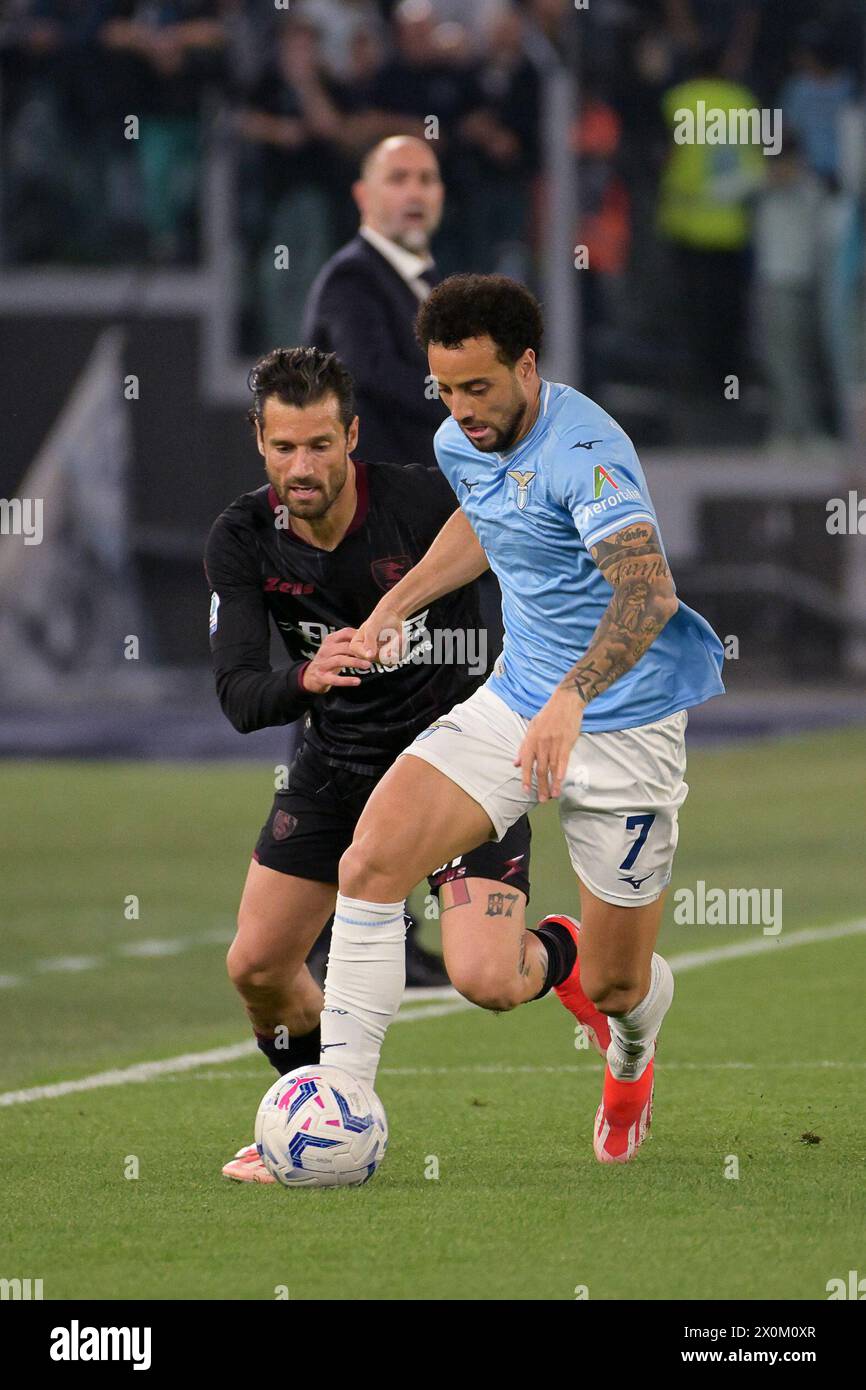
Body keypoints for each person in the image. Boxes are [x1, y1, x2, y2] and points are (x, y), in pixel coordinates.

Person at [319, 275, 726, 1165]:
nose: (462, 410)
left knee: (618, 984)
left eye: (480, 388)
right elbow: (486, 519)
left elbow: (647, 592)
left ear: (528, 367)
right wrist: (399, 605)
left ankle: (631, 1049)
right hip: (516, 699)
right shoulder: (461, 440)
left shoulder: (586, 448)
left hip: (624, 724)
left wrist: (574, 700)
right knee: (375, 859)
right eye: (446, 389)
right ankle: (338, 1108)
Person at [204, 346, 549, 1183]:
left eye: (321, 444)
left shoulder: (425, 502)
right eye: (284, 447)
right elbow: (241, 693)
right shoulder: (244, 538)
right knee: (256, 967)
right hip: (339, 764)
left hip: (455, 766)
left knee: (486, 980)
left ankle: (567, 956)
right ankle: (323, 1122)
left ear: (352, 435)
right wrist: (305, 677)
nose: (303, 465)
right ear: (259, 441)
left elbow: (530, 540)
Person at [301, 135, 445, 468]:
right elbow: (369, 372)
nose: (415, 193)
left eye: (426, 179)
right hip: (377, 497)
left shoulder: (431, 282)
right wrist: (468, 403)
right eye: (398, 178)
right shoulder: (352, 277)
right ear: (363, 195)